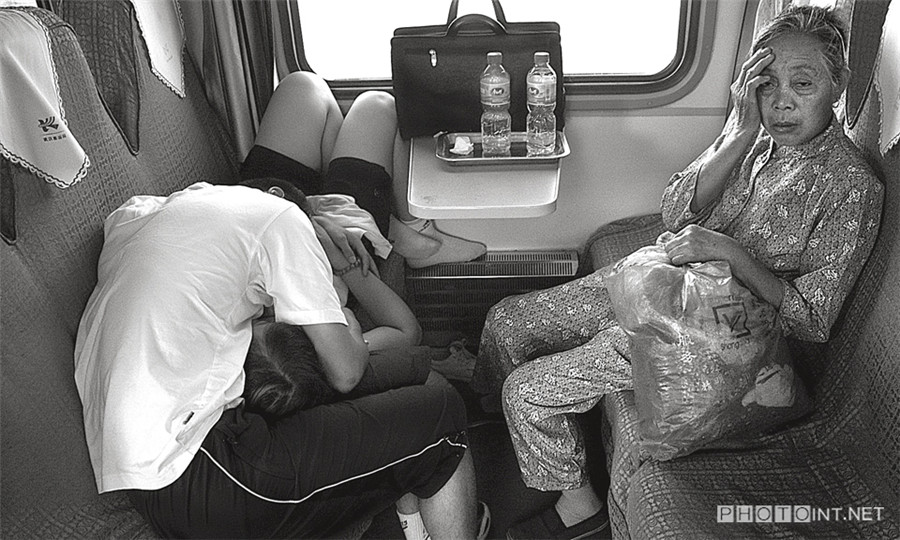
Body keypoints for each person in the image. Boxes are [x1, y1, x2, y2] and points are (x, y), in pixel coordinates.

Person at [470, 6, 884, 539]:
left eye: (802, 84)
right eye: (766, 83)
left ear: (839, 84)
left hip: (723, 337)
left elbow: (811, 321)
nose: (781, 101)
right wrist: (738, 133)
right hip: (668, 278)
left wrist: (729, 252)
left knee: (527, 392)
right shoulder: (757, 137)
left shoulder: (851, 186)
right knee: (508, 321)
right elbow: (676, 211)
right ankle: (508, 431)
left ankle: (581, 509)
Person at [240, 71, 486, 270]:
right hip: (298, 244)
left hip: (257, 204)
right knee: (378, 104)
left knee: (301, 84)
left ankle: (330, 197)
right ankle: (414, 235)